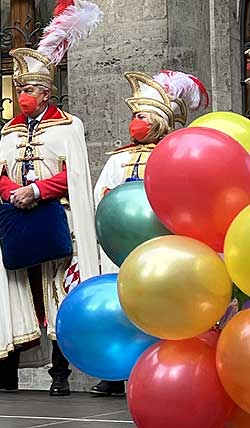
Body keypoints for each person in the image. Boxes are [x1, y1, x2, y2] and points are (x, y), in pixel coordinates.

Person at [0, 0, 103, 397]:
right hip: (19, 220)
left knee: (57, 296)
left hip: (55, 222)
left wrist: (38, 190)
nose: (22, 95)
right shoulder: (10, 131)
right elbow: (0, 177)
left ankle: (59, 374)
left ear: (46, 93)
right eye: (19, 89)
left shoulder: (69, 126)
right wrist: (15, 192)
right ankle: (6, 371)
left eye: (29, 90)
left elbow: (75, 176)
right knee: (17, 295)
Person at [90, 70, 208, 396]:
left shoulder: (172, 154)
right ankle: (116, 371)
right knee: (121, 301)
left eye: (141, 115)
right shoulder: (119, 158)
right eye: (133, 116)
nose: (135, 122)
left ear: (158, 119)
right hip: (121, 246)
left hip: (159, 241)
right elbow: (101, 194)